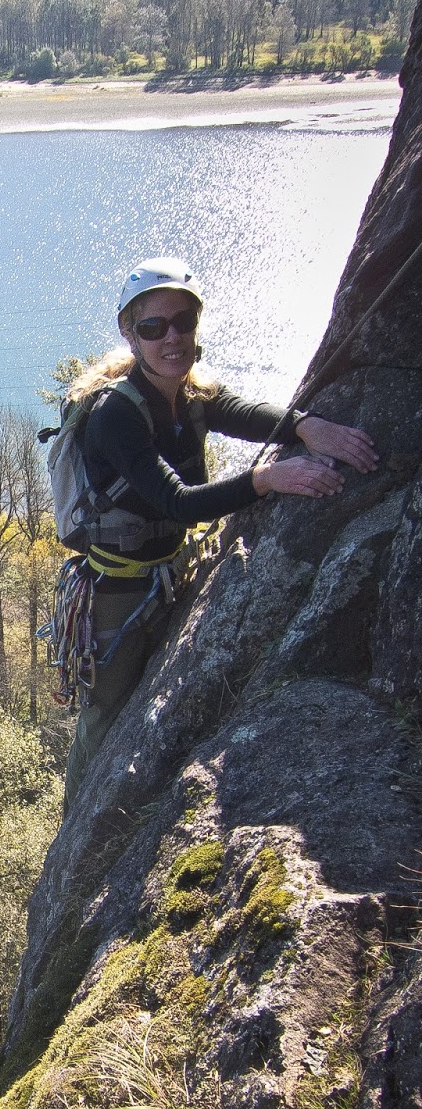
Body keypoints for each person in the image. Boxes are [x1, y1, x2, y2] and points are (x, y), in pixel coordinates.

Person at [62, 256, 378, 808]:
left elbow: (242, 412)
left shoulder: (187, 395)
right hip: (116, 595)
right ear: (129, 334)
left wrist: (307, 425)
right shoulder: (117, 414)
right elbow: (176, 503)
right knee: (106, 711)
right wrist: (268, 479)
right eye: (153, 327)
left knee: (142, 705)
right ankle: (78, 834)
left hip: (164, 572)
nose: (172, 338)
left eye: (183, 321)